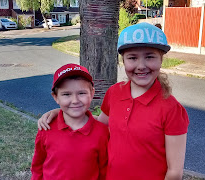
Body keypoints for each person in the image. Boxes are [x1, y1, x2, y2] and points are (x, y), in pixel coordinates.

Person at [38, 22, 189, 180]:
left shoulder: (171, 109)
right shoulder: (114, 92)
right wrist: (62, 113)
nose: (141, 66)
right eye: (132, 58)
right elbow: (100, 126)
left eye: (150, 57)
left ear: (161, 60)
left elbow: (174, 171)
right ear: (123, 60)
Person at [31, 63, 109, 180]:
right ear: (56, 97)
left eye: (81, 93)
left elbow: (104, 170)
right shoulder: (46, 128)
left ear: (92, 93)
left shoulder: (102, 132)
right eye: (66, 94)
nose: (75, 100)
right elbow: (37, 166)